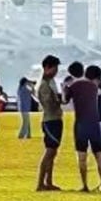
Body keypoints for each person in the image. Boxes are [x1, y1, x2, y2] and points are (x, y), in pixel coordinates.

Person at [65, 64, 101, 192]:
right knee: (99, 154)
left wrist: (64, 88)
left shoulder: (73, 86)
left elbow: (64, 100)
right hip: (94, 123)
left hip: (80, 124)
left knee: (82, 156)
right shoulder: (93, 86)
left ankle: (85, 185)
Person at [35, 55, 63, 191]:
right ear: (47, 68)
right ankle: (40, 183)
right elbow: (48, 104)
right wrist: (58, 100)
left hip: (55, 119)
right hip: (50, 120)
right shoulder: (44, 85)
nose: (56, 71)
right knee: (49, 152)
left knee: (53, 152)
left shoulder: (50, 82)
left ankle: (49, 181)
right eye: (54, 68)